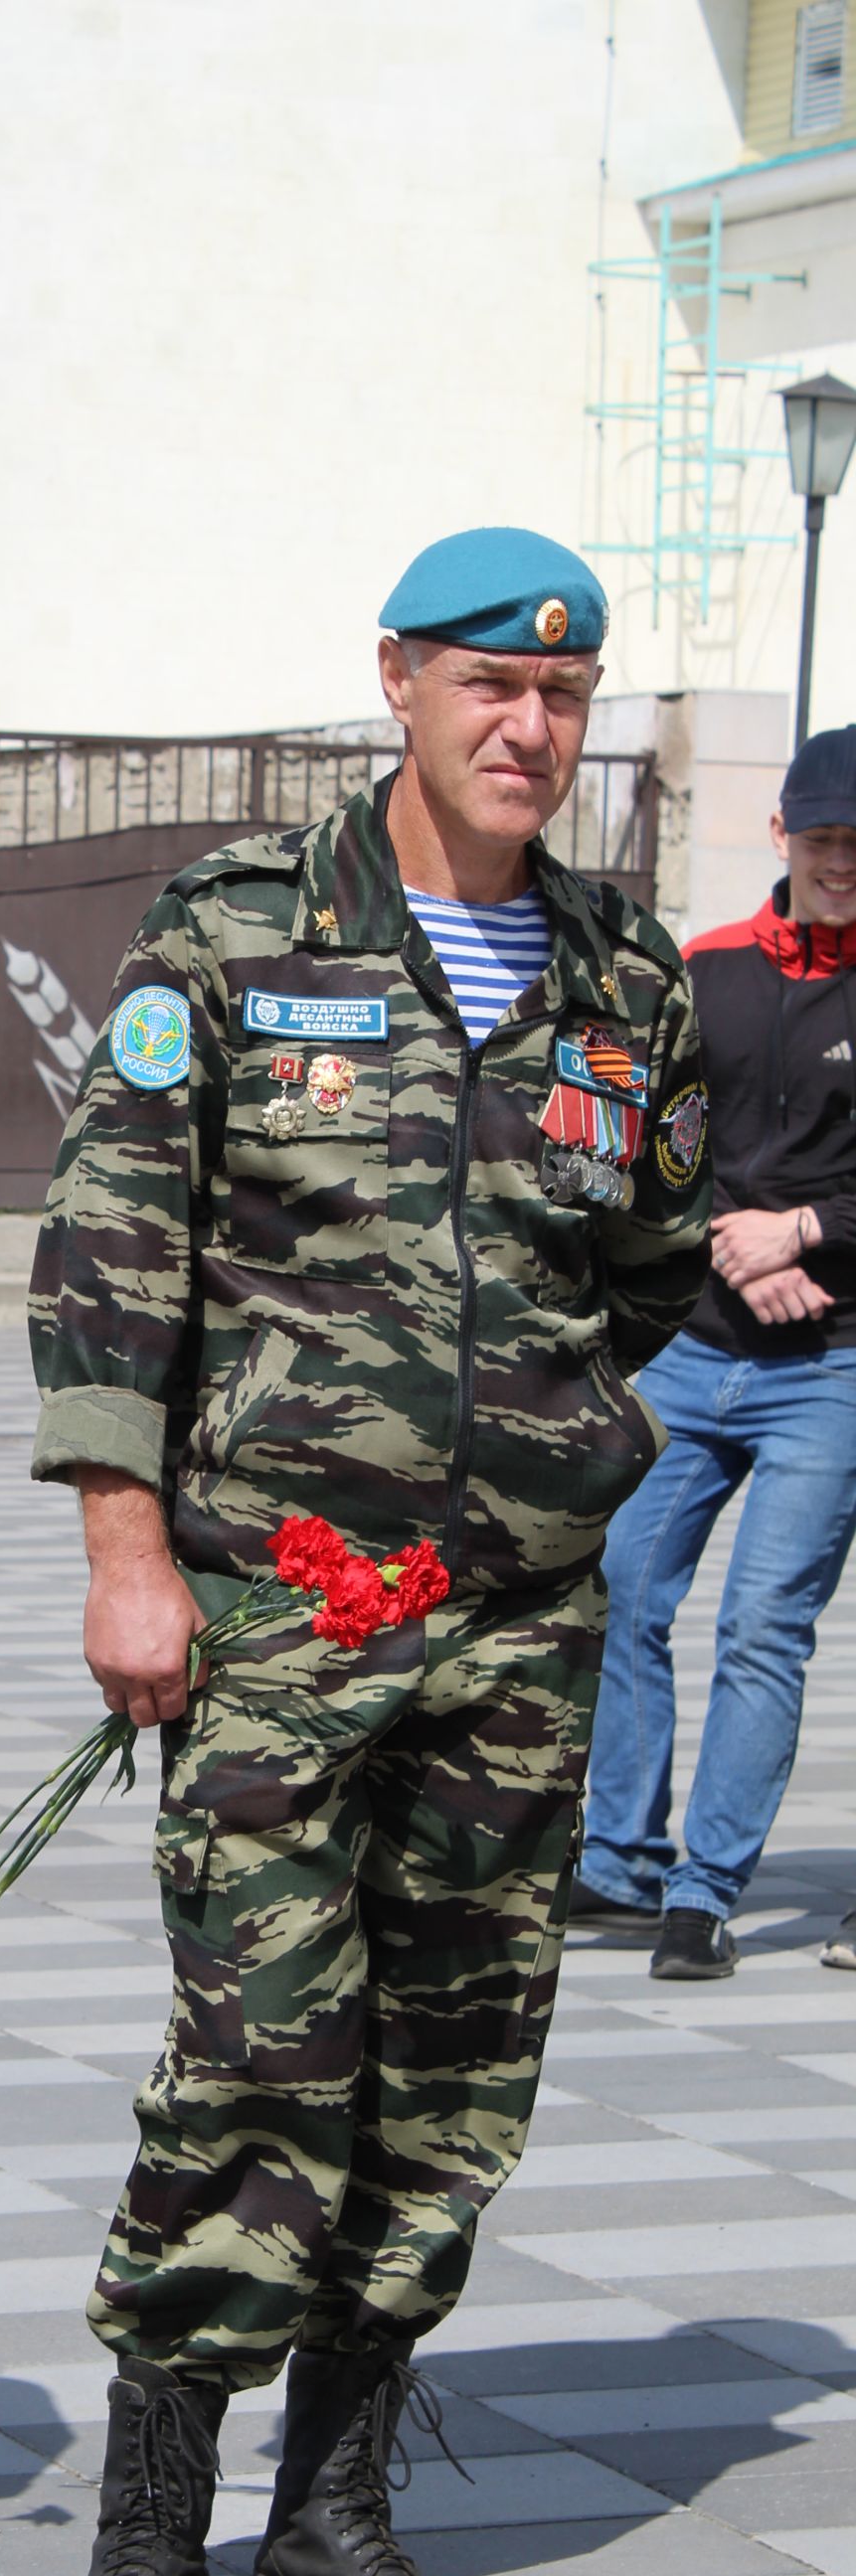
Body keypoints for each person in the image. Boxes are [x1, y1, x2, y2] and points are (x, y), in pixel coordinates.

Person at [27, 528, 710, 2576]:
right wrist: (128, 1556)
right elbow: (112, 1248)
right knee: (253, 2058)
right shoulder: (237, 933)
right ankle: (154, 2525)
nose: (533, 730)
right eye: (493, 690)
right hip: (276, 1622)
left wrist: (547, 1448)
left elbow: (656, 1267)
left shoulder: (627, 975)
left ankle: (336, 2513)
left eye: (570, 697)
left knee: (452, 2077)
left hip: (517, 1633)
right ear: (399, 686)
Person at [574, 725, 856, 1981]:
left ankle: (706, 1890)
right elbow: (655, 1142)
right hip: (692, 1353)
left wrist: (804, 1232)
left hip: (831, 1368)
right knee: (624, 1590)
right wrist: (734, 1248)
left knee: (761, 1629)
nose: (845, 862)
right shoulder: (704, 970)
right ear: (784, 834)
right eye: (828, 838)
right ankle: (620, 1862)